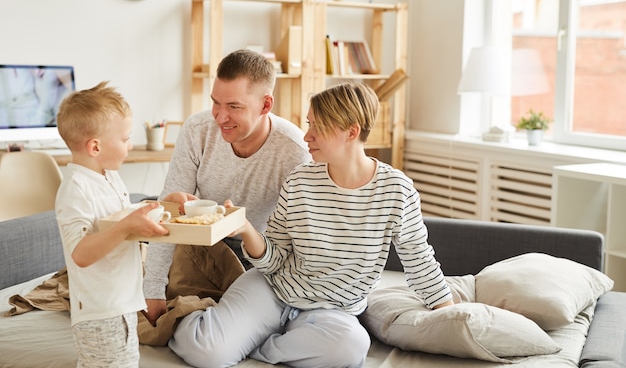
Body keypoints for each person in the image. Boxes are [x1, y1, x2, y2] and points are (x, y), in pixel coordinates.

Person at [168, 82, 455, 368]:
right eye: (308, 124)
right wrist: (245, 228)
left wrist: (449, 314)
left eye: (317, 126)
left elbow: (419, 260)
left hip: (334, 310)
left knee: (351, 347)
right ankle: (204, 321)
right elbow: (274, 258)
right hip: (271, 289)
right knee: (204, 352)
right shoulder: (300, 180)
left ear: (351, 132)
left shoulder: (396, 191)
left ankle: (256, 345)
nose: (307, 136)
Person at [142, 49, 312, 326]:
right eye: (215, 103)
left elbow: (299, 242)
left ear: (266, 105)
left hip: (258, 259)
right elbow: (167, 213)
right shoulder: (197, 129)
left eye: (234, 107)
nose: (221, 117)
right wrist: (153, 291)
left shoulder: (293, 150)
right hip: (199, 251)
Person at [55, 82, 169, 368]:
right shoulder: (75, 189)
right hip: (100, 311)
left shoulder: (108, 176)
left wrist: (163, 204)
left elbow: (117, 216)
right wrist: (124, 227)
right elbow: (80, 253)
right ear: (95, 146)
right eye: (126, 138)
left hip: (122, 303)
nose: (130, 145)